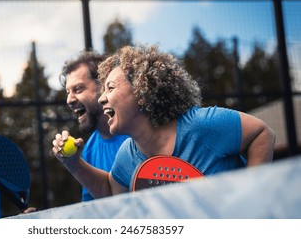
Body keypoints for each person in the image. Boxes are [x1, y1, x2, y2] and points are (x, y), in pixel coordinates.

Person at [52, 44, 276, 199]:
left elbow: (262, 133)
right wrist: (73, 163)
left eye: (111, 88)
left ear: (142, 90)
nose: (102, 98)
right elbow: (111, 192)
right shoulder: (128, 154)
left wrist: (249, 196)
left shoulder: (201, 125)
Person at [58, 50, 129, 201]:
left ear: (103, 88)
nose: (69, 100)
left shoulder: (138, 133)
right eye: (67, 92)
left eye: (78, 89)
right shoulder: (87, 151)